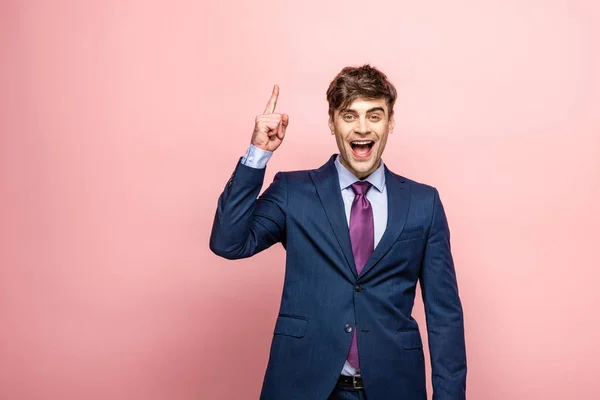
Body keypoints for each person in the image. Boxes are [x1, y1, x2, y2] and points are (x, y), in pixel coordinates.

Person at [210, 65, 467, 400]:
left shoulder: (424, 202)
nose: (362, 128)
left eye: (374, 116)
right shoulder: (294, 191)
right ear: (332, 123)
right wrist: (258, 153)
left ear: (390, 123)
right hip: (303, 386)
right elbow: (229, 242)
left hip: (395, 387)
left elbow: (444, 314)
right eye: (349, 116)